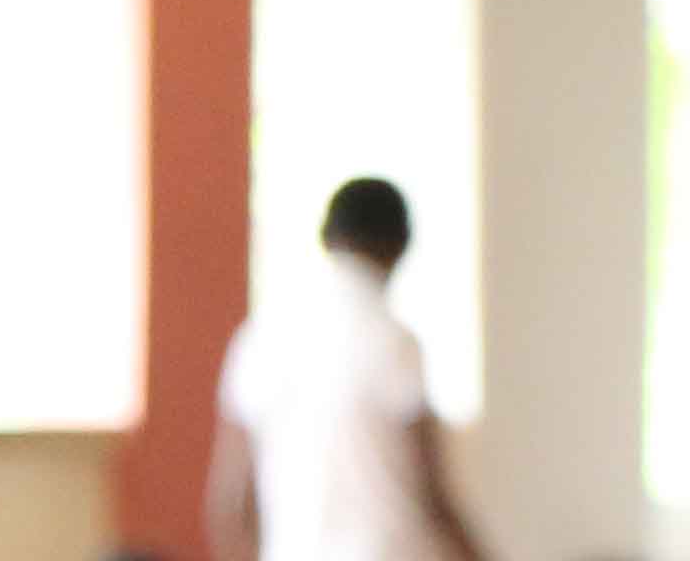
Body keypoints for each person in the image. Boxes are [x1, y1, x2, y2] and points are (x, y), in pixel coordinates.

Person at [207, 177, 492, 561]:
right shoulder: (392, 339)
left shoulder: (259, 338)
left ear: (326, 236)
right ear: (400, 245)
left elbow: (232, 504)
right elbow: (431, 493)